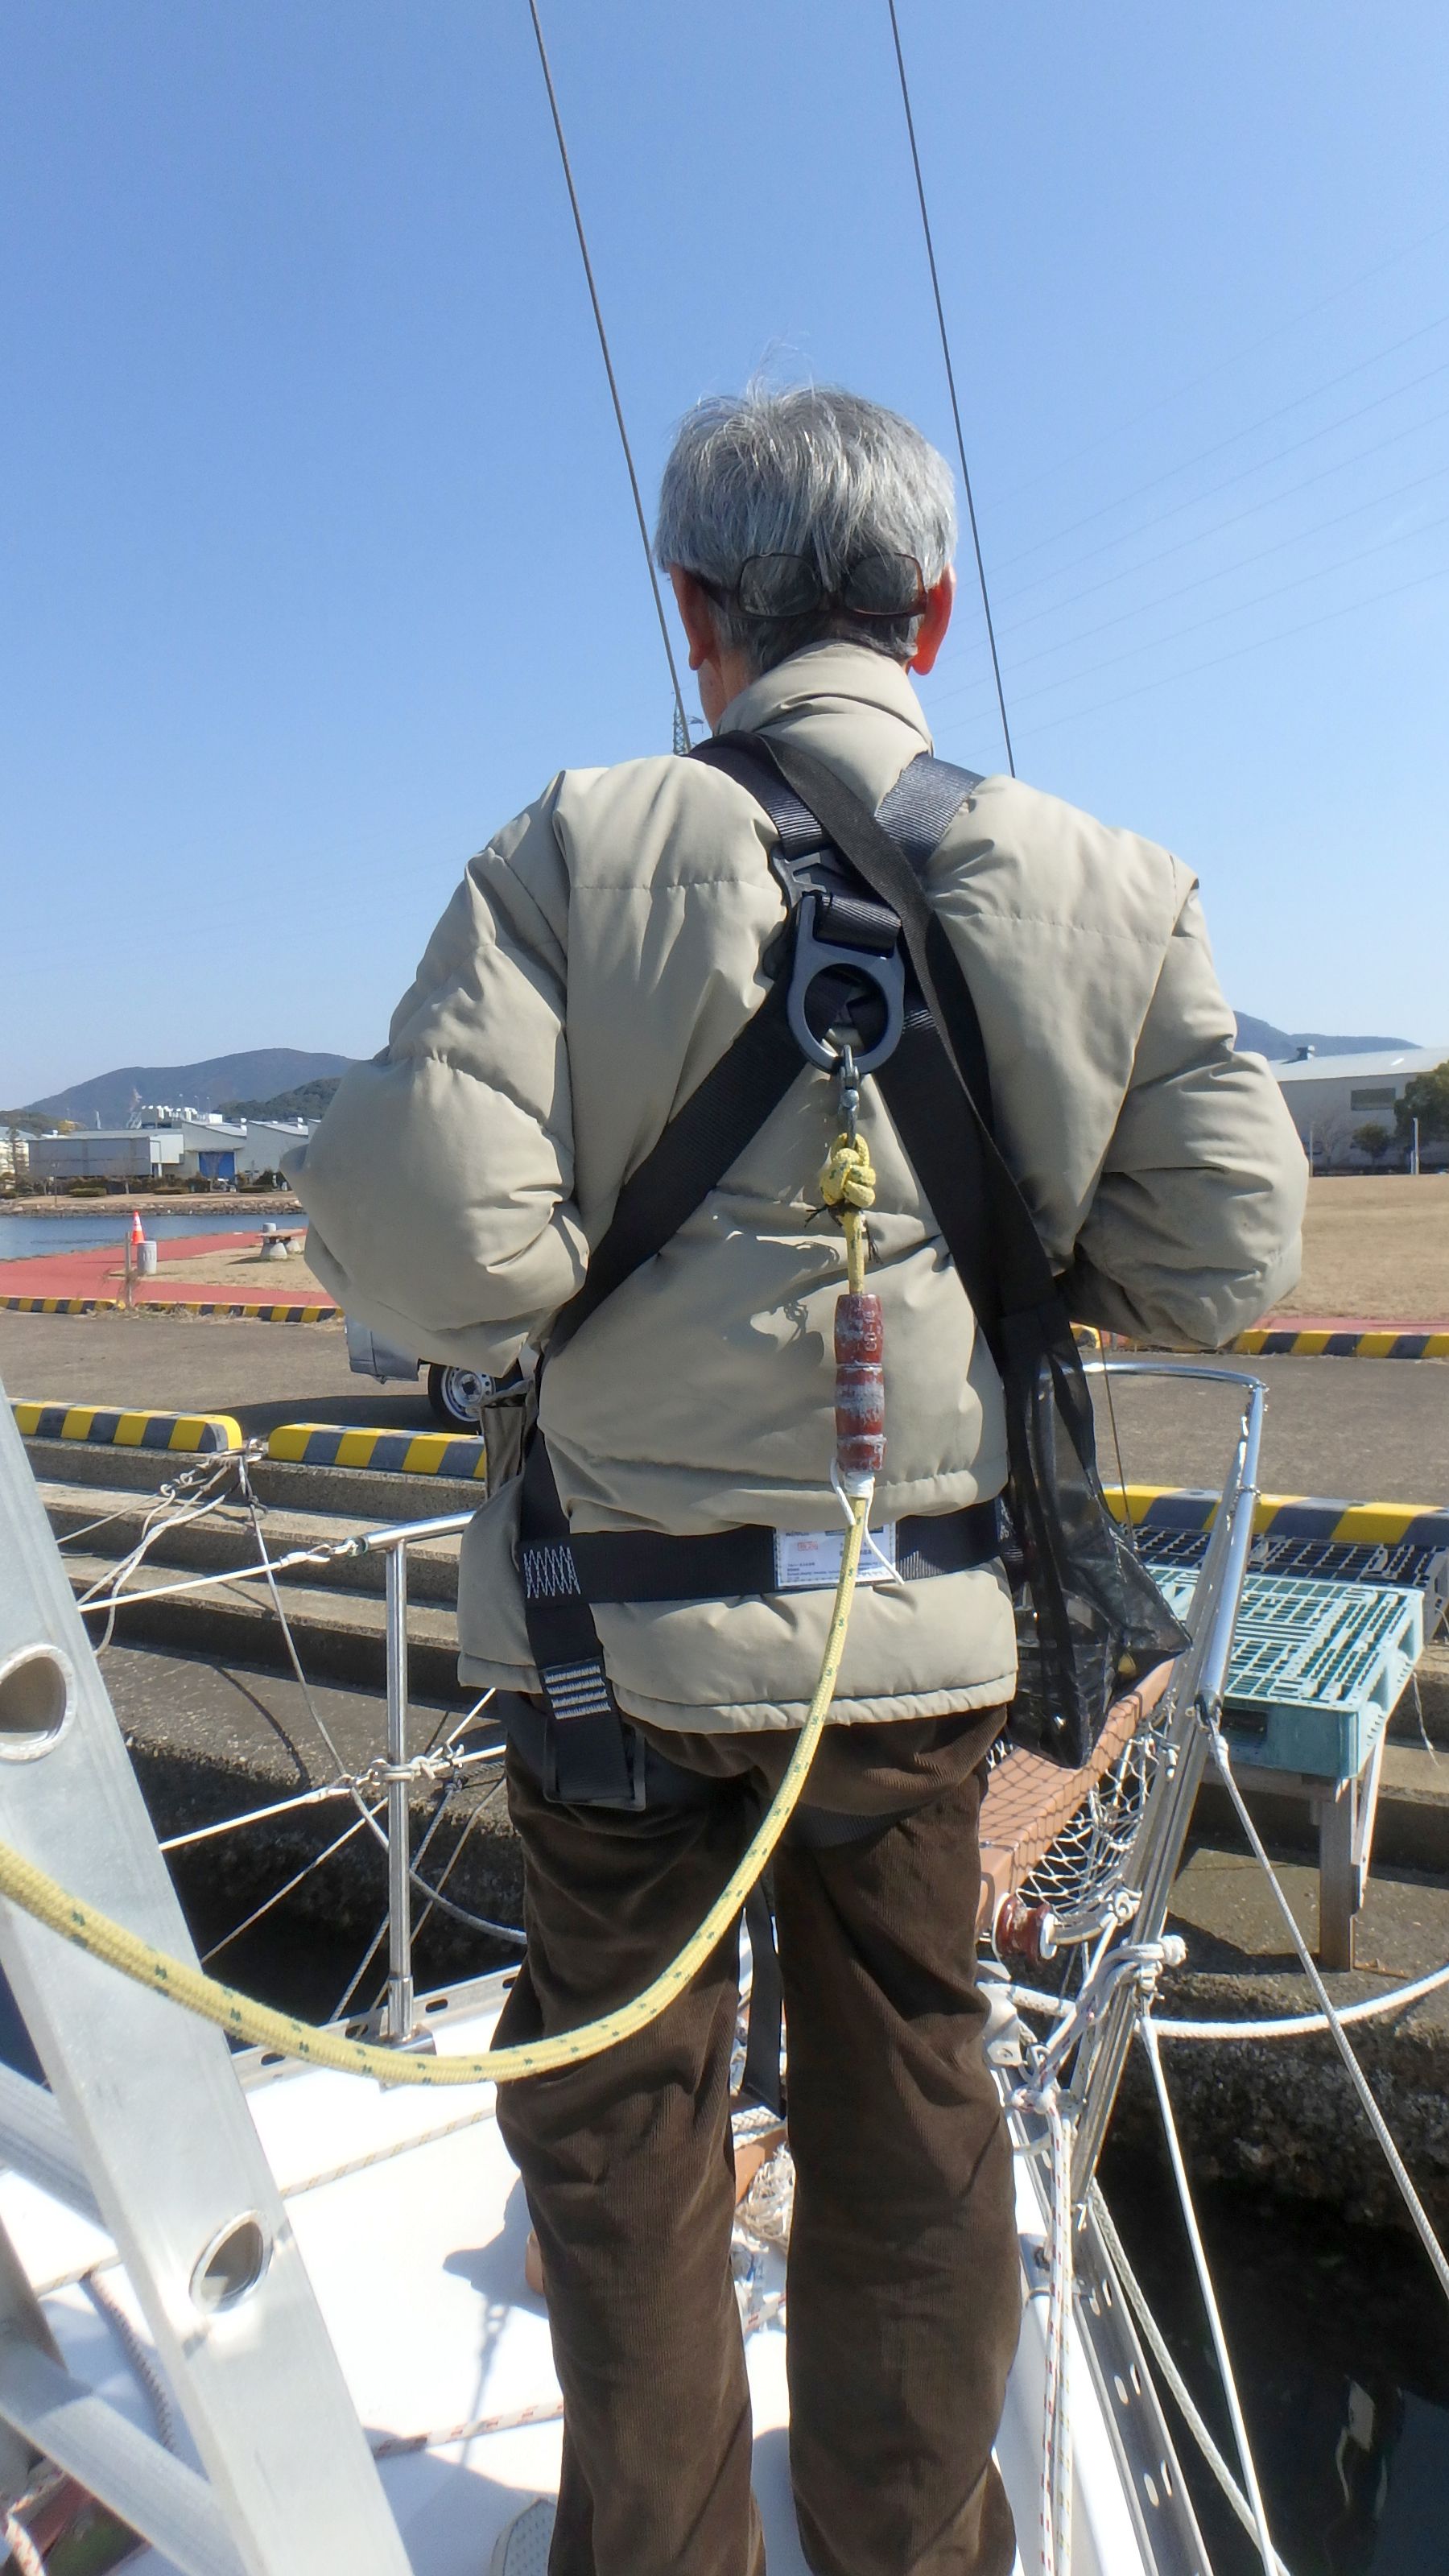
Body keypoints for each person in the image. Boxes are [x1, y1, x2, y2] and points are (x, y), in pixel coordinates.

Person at [287, 382, 1307, 2576]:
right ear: (930, 613)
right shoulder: (1112, 881)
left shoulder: (571, 850)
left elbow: (424, 1237)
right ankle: (909, 2543)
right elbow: (1227, 1251)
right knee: (916, 2098)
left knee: (618, 2121)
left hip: (613, 1659)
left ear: (696, 613)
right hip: (918, 1648)